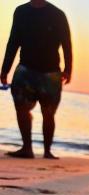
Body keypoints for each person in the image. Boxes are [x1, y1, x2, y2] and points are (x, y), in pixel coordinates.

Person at [0, 0, 72, 159]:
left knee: (49, 113)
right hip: (26, 69)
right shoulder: (21, 11)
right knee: (22, 109)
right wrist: (5, 69)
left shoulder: (57, 14)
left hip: (51, 73)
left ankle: (47, 151)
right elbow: (13, 41)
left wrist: (68, 69)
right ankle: (27, 147)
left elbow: (66, 43)